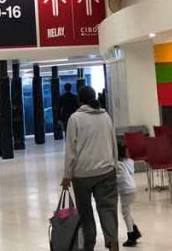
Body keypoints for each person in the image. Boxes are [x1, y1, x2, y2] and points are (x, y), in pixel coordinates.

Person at [61, 86, 120, 251]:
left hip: (82, 175)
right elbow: (113, 142)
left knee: (86, 213)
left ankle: (89, 245)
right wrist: (114, 165)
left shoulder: (75, 119)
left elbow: (70, 150)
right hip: (106, 171)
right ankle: (112, 240)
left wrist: (67, 176)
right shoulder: (106, 116)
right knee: (108, 208)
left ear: (79, 100)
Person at [116, 142, 141, 247]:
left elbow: (119, 178)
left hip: (126, 190)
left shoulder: (118, 164)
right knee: (127, 212)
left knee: (125, 213)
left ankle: (131, 236)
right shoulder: (129, 162)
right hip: (132, 188)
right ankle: (134, 230)